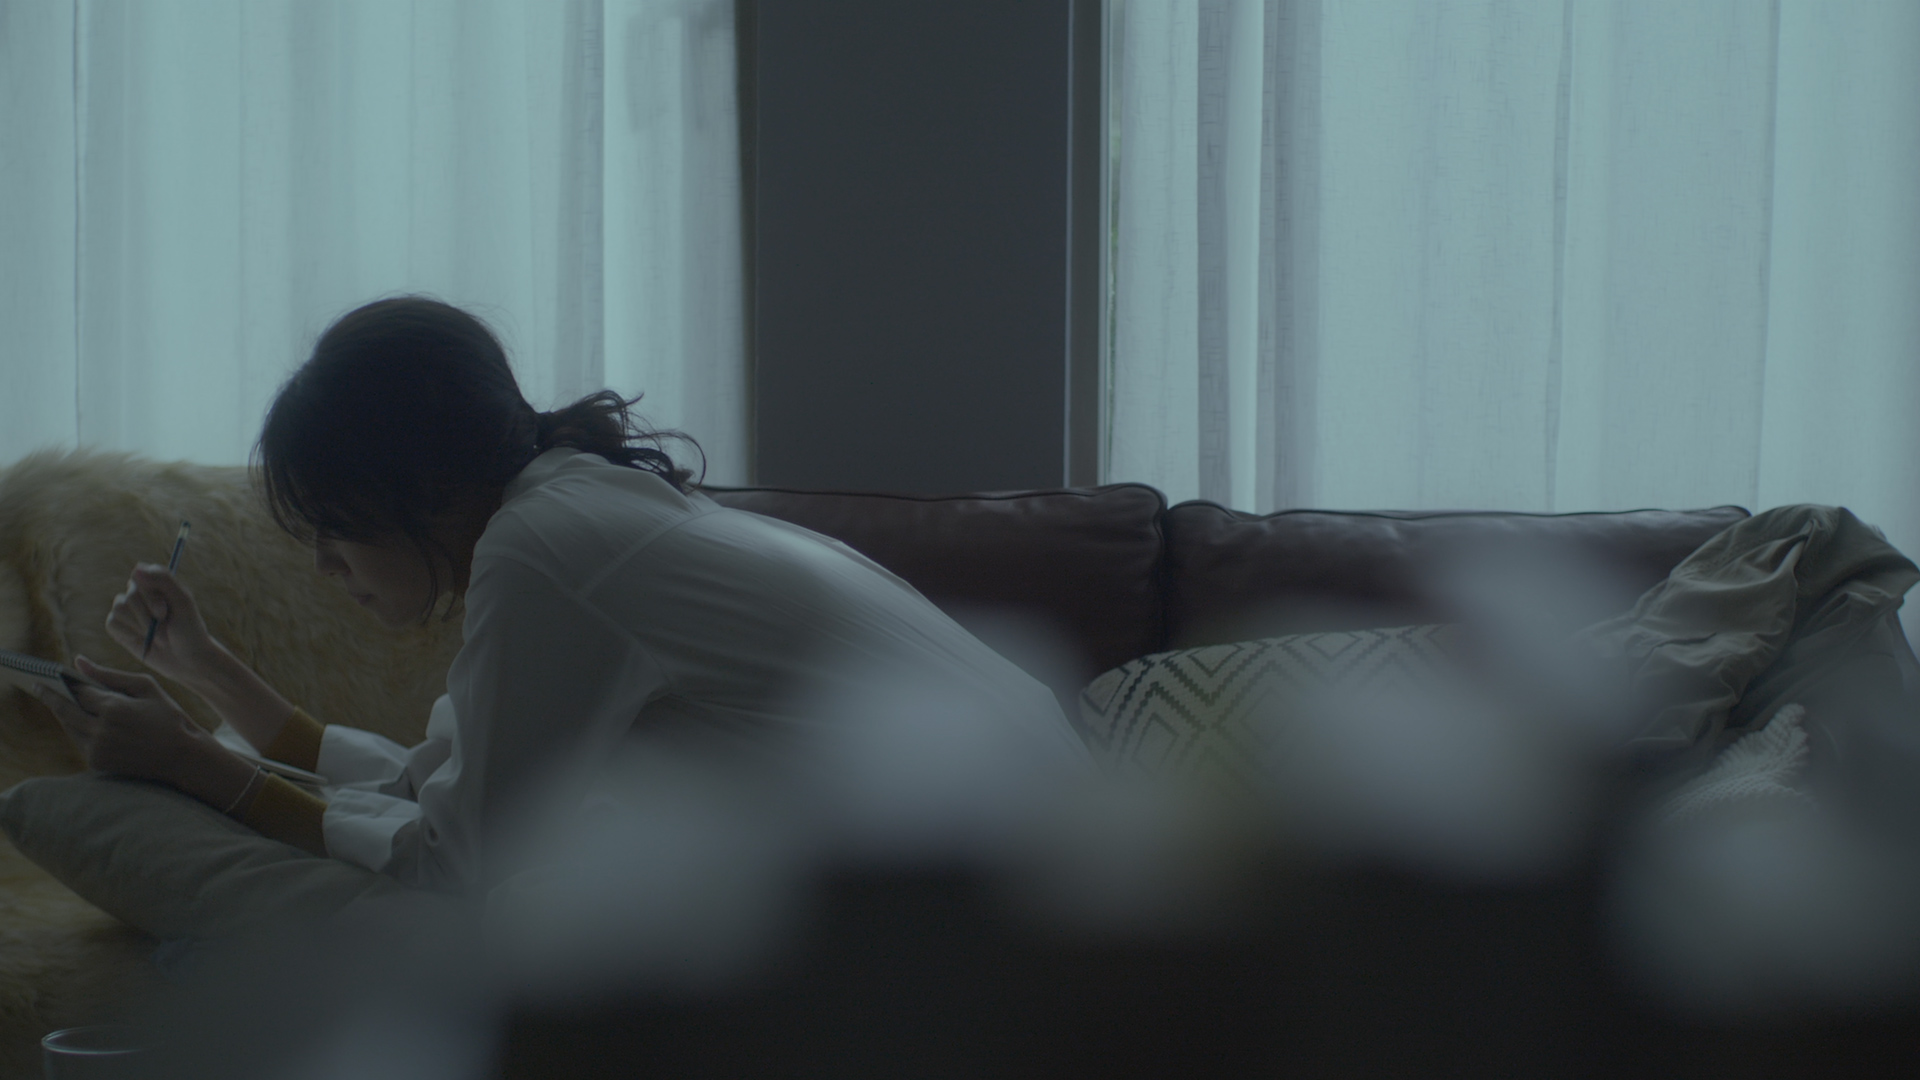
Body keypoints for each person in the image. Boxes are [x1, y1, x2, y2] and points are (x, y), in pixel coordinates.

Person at [36, 296, 1087, 893]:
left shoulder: (545, 547)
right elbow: (430, 784)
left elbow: (460, 864)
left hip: (1002, 888)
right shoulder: (576, 507)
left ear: (415, 488)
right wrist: (209, 675)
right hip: (1033, 845)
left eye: (334, 531)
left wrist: (199, 767)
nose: (325, 569)